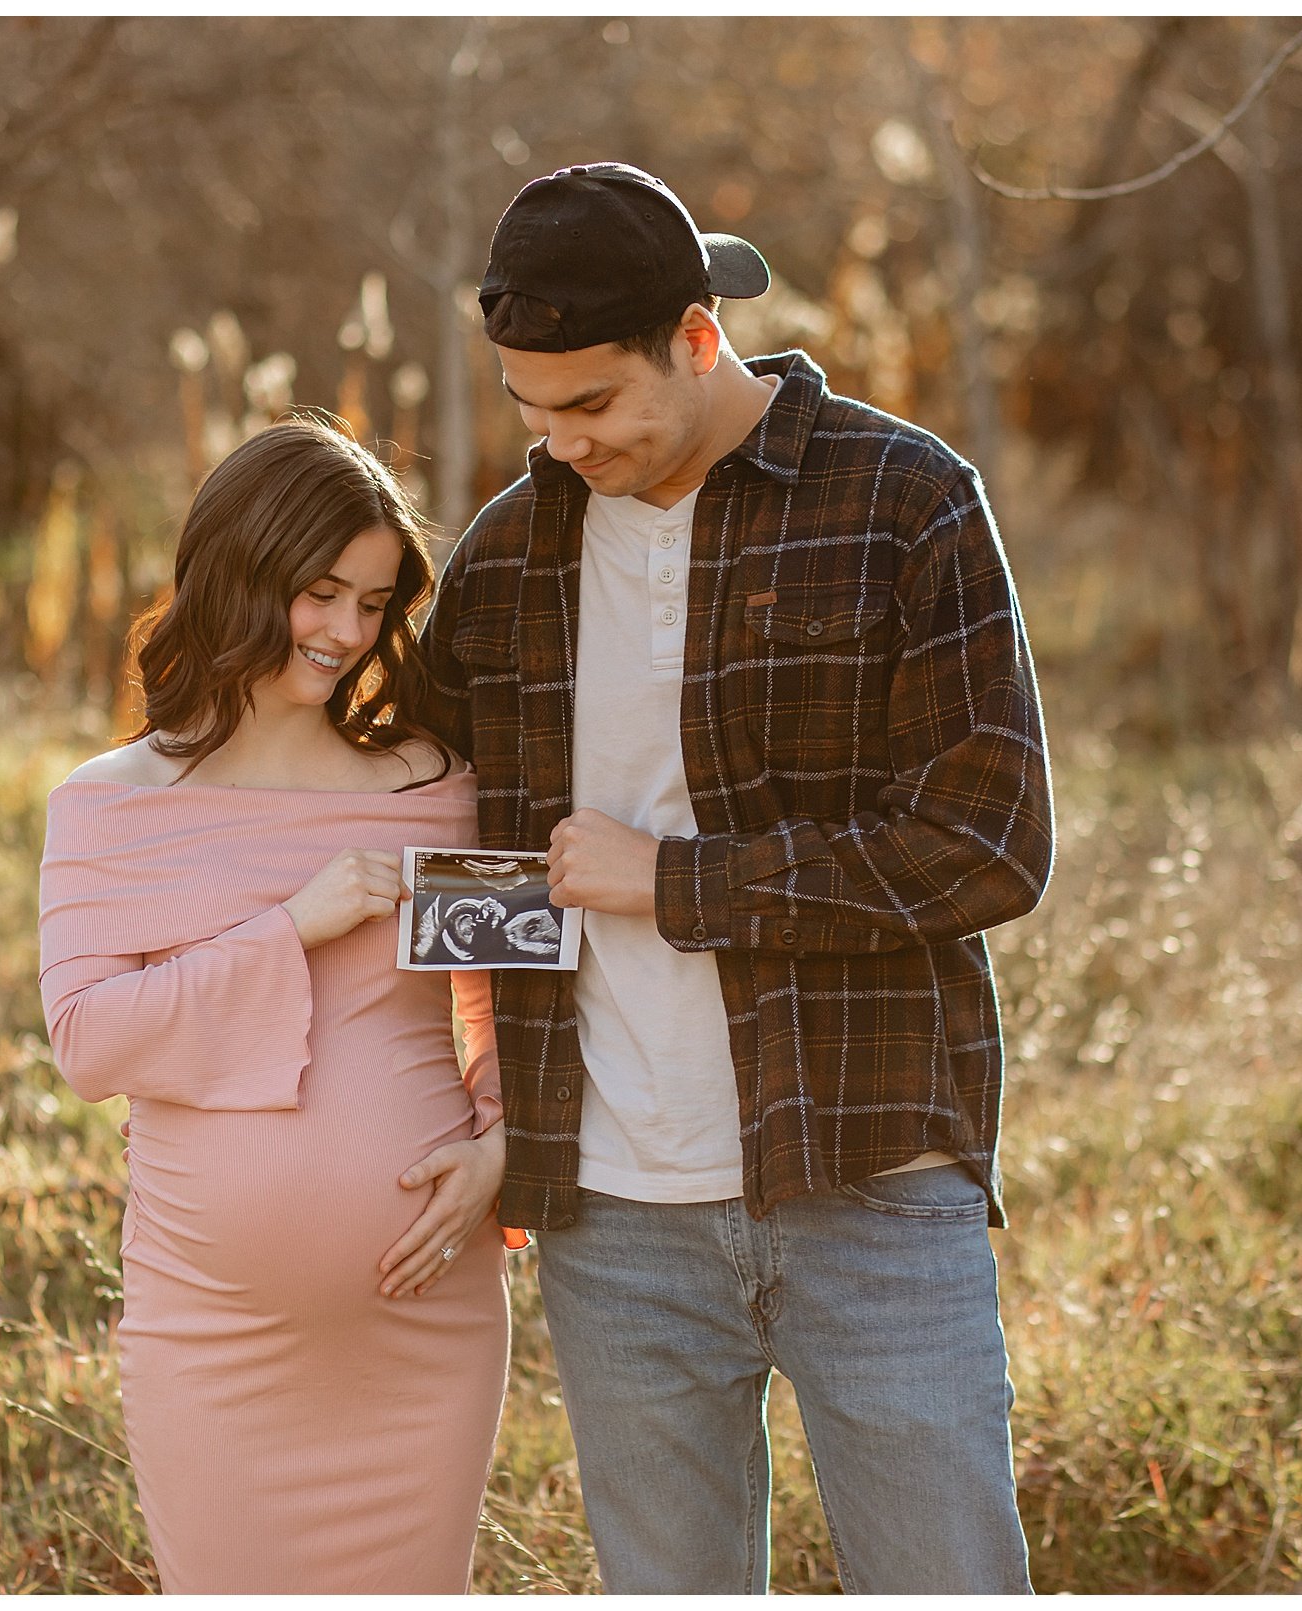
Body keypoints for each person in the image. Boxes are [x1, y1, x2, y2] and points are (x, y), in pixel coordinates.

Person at [417, 163, 1053, 1594]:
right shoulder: (510, 555)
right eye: (531, 409)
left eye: (593, 404)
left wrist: (680, 883)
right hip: (611, 1218)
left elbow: (990, 839)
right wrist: (491, 1102)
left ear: (698, 339)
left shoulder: (902, 500)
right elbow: (470, 850)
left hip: (868, 1179)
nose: (561, 442)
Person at [38, 418, 508, 1592]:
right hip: (214, 1340)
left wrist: (506, 1144)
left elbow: (511, 996)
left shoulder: (435, 789)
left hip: (425, 1331)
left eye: (373, 603)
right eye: (319, 593)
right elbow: (90, 1042)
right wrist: (291, 927)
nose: (346, 633)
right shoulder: (111, 807)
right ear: (237, 573)